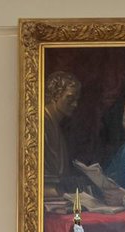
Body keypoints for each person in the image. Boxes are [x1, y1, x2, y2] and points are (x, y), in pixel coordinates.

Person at [43, 71, 85, 203]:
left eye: (76, 100)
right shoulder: (41, 124)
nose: (75, 105)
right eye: (70, 99)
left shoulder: (54, 125)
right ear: (55, 95)